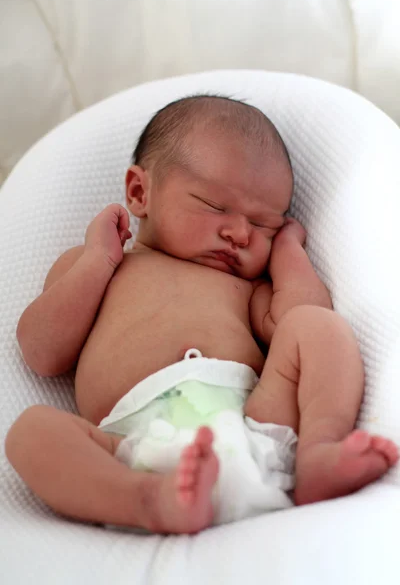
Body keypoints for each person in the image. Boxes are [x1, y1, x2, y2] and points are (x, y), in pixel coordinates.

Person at [5, 95, 398, 535]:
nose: (240, 233)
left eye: (264, 224)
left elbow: (302, 313)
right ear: (139, 193)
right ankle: (145, 500)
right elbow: (42, 352)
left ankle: (318, 453)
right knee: (30, 432)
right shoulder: (97, 267)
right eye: (215, 207)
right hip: (133, 447)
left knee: (320, 328)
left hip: (257, 426)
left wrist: (288, 251)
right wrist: (99, 260)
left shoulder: (246, 287)